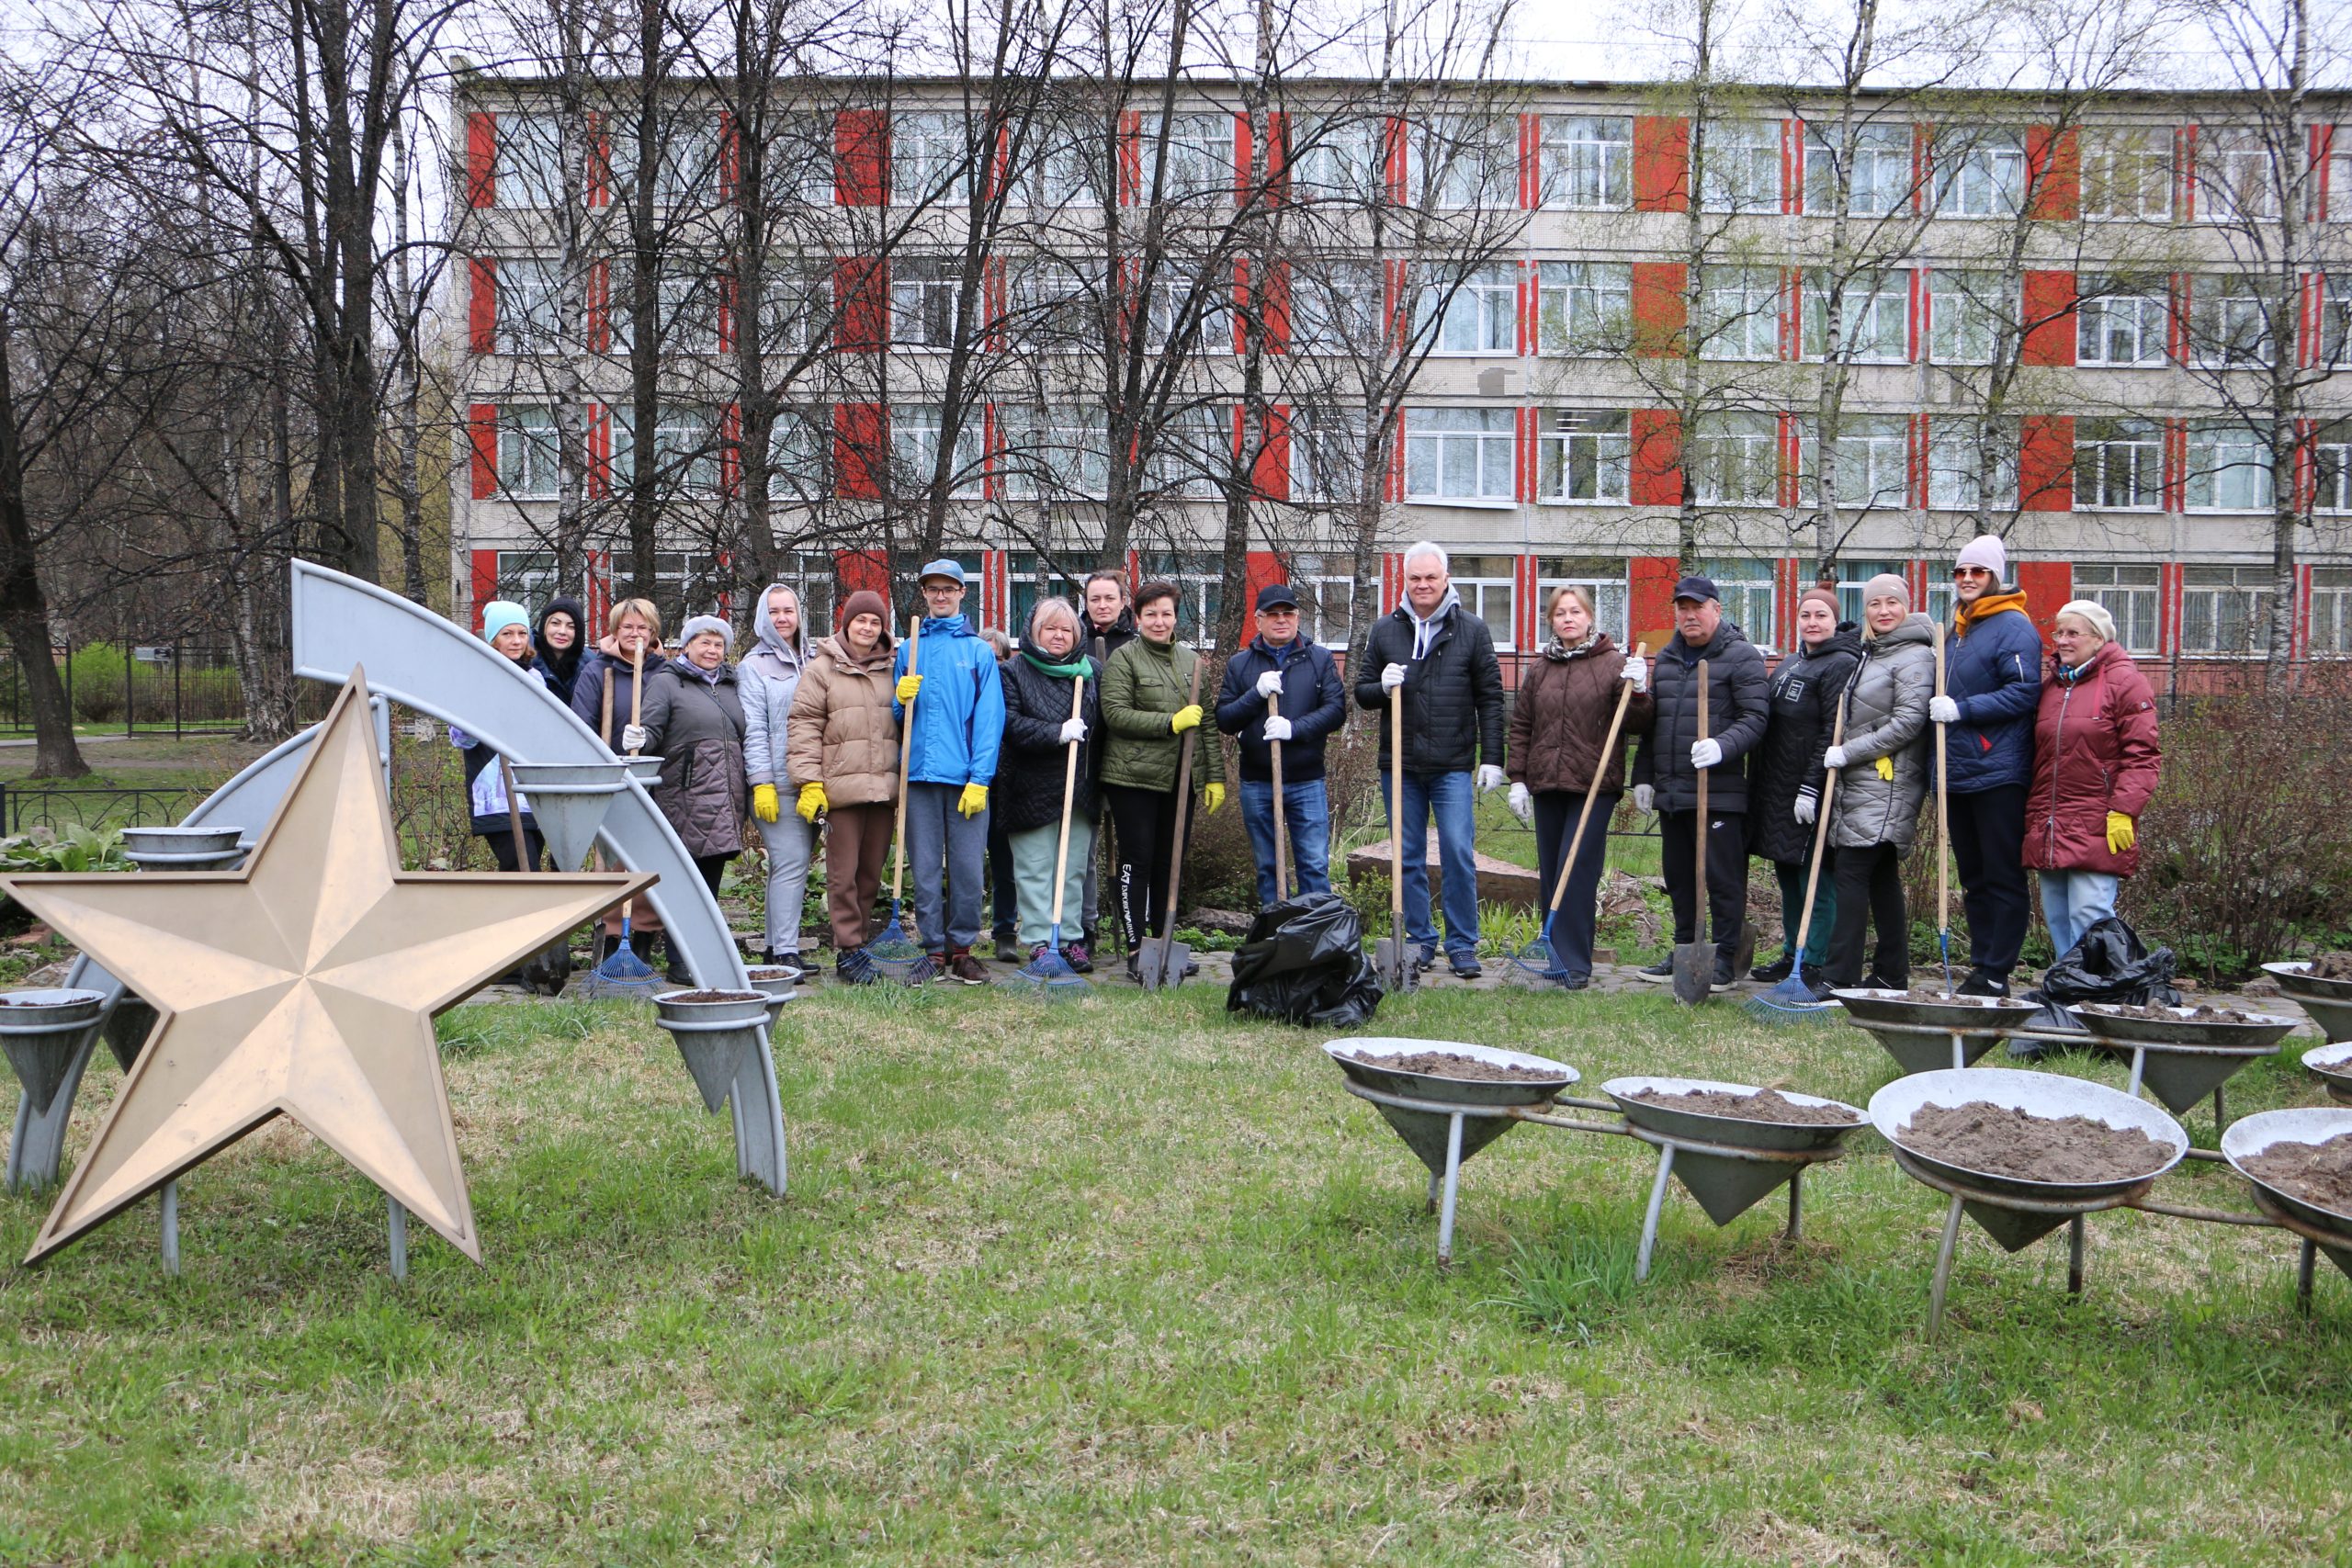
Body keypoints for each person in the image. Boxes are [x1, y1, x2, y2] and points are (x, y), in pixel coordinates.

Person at [1352, 542, 1507, 978]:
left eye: (1431, 578)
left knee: (1457, 851)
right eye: (1415, 578)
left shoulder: (1471, 630)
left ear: (1446, 579)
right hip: (1400, 764)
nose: (1423, 585)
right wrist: (1382, 687)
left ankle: (1462, 944)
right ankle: (1419, 940)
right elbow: (1362, 693)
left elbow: (1491, 698)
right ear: (1404, 580)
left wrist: (1492, 758)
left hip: (1452, 763)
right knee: (1407, 854)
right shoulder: (1385, 630)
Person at [1502, 586, 1652, 988]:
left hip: (1593, 784)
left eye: (1575, 612)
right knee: (1553, 870)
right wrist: (1518, 780)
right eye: (1560, 613)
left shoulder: (1613, 663)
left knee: (1578, 868)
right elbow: (1522, 726)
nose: (1568, 619)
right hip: (1547, 781)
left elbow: (1637, 723)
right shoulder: (1540, 669)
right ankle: (1553, 955)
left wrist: (1639, 691)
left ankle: (1575, 963)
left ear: (1589, 618)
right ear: (1551, 620)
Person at [1632, 576, 1770, 987]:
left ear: (1717, 610)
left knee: (1722, 879)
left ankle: (1725, 957)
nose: (1690, 615)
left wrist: (1722, 746)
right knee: (1679, 878)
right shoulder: (1668, 658)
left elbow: (1755, 718)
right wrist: (1643, 777)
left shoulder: (1742, 657)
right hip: (1674, 792)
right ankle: (1684, 950)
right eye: (1683, 608)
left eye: (1698, 607)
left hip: (1719, 792)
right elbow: (1655, 725)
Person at [1930, 535, 2043, 997]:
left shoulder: (2013, 626)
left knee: (2001, 876)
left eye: (1977, 571)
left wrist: (1963, 710)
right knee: (1973, 878)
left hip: (1997, 771)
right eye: (1960, 571)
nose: (1967, 578)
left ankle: (1998, 971)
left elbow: (2024, 691)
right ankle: (1981, 968)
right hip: (1958, 772)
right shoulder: (1959, 628)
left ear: (1995, 576)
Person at [1814, 575, 1936, 998]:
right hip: (1865, 783)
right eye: (1874, 604)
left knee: (1851, 873)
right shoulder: (1876, 651)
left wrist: (1848, 752)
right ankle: (1890, 975)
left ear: (1906, 606)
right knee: (1881, 879)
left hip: (1887, 783)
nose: (1883, 611)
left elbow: (1908, 722)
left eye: (1892, 603)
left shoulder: (1915, 656)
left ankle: (1839, 976)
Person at [1101, 581, 1227, 978]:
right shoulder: (1124, 659)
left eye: (1166, 614)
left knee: (1168, 864)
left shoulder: (1192, 662)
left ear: (1176, 617)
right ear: (1138, 618)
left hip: (1179, 780)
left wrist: (1214, 777)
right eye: (1151, 614)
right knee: (1137, 861)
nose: (1159, 621)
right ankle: (1137, 948)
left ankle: (1163, 943)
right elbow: (1115, 714)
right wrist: (1170, 722)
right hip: (1133, 778)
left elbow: (1207, 725)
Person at [2024, 599, 2161, 963]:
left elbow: (2143, 755)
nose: (2062, 641)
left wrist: (2124, 810)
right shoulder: (2052, 686)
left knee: (2090, 914)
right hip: (2050, 821)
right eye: (2058, 633)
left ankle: (2101, 988)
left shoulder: (2125, 682)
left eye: (2073, 633)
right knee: (2057, 917)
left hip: (2098, 819)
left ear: (2099, 639)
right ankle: (2070, 987)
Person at [890, 560, 1004, 986]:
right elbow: (898, 718)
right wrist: (899, 699)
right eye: (933, 589)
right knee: (924, 869)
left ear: (961, 593)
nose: (940, 596)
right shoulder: (909, 648)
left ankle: (963, 951)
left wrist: (980, 779)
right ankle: (933, 951)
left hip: (964, 780)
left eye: (948, 589)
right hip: (919, 776)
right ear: (924, 594)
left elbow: (990, 720)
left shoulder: (977, 652)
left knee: (968, 870)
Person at [1745, 588, 1860, 983]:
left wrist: (1812, 786)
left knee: (1815, 876)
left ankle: (1815, 959)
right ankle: (1792, 951)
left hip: (1808, 788)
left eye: (1821, 615)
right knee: (1788, 873)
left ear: (1835, 621)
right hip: (1777, 786)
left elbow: (1833, 729)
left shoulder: (1841, 664)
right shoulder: (1792, 662)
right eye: (1806, 615)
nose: (1812, 622)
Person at [786, 589, 899, 985]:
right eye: (860, 620)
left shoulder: (894, 668)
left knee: (870, 873)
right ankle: (848, 949)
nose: (867, 628)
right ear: (846, 624)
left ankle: (859, 946)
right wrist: (809, 782)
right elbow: (804, 726)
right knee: (843, 874)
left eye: (875, 622)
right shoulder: (822, 669)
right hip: (841, 790)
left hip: (883, 789)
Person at [628, 615, 749, 984]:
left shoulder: (730, 685)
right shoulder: (667, 682)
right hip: (685, 796)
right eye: (704, 642)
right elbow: (651, 733)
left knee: (709, 886)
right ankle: (680, 959)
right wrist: (639, 738)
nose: (711, 650)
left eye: (718, 644)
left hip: (726, 797)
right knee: (687, 884)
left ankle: (700, 956)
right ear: (686, 645)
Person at [1215, 583, 1346, 905]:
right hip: (1258, 781)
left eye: (1288, 613)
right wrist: (1255, 694)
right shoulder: (1241, 664)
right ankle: (1276, 928)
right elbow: (1225, 719)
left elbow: (1336, 711)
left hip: (1306, 779)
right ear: (1258, 620)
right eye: (1272, 614)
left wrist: (1293, 728)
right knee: (1268, 867)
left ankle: (1315, 929)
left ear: (1298, 617)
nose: (1281, 619)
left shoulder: (1319, 659)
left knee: (1313, 864)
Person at [996, 599, 1104, 964]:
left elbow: (1105, 729)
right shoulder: (1013, 672)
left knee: (1072, 870)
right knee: (1035, 868)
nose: (1058, 635)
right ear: (1034, 631)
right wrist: (1057, 732)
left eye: (1066, 629)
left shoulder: (1091, 672)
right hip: (1030, 788)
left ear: (1077, 633)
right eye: (1050, 628)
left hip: (1080, 789)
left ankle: (1070, 939)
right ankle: (1040, 940)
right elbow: (1009, 724)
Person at [739, 583, 814, 974]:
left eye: (788, 610)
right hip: (777, 784)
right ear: (762, 618)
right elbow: (753, 729)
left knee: (788, 866)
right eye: (774, 611)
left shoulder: (815, 659)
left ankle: (774, 948)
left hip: (812, 784)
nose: (782, 618)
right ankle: (786, 951)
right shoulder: (753, 666)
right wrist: (761, 782)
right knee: (790, 861)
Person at [453, 600, 552, 874]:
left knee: (523, 877)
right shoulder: (476, 676)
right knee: (523, 870)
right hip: (495, 797)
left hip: (532, 794)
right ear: (493, 639)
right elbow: (461, 738)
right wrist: (489, 704)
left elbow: (543, 733)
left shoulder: (535, 678)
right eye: (507, 634)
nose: (516, 641)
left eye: (522, 633)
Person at [1080, 570, 1136, 951]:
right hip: (1084, 759)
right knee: (1083, 851)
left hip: (1126, 760)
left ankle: (1135, 930)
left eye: (1109, 598)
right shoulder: (1073, 640)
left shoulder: (1136, 644)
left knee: (1132, 851)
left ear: (1122, 602)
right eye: (1094, 598)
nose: (1102, 605)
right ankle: (1086, 928)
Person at [978, 626, 1024, 964]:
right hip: (968, 786)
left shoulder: (1013, 691)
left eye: (998, 658)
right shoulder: (967, 687)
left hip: (1004, 789)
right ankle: (954, 933)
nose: (992, 664)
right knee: (963, 866)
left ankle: (1005, 931)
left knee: (1005, 865)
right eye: (986, 658)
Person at [532, 596, 586, 708]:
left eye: (571, 627)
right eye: (555, 623)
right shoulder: (526, 660)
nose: (562, 631)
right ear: (544, 626)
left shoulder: (590, 666)